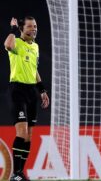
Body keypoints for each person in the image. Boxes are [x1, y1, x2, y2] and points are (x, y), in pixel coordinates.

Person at [4, 16, 50, 181]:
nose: (34, 29)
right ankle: (15, 174)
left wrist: (42, 90)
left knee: (29, 135)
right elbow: (7, 45)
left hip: (32, 92)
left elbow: (34, 70)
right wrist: (12, 30)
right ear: (22, 29)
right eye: (29, 27)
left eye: (35, 26)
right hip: (17, 90)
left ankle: (20, 173)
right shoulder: (16, 42)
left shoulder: (35, 47)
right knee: (21, 132)